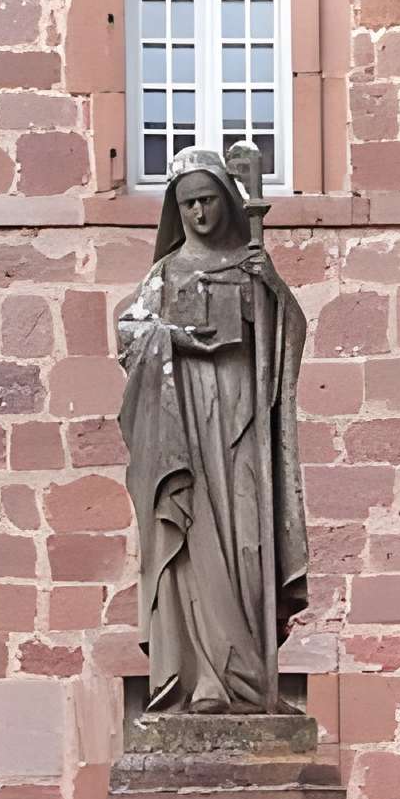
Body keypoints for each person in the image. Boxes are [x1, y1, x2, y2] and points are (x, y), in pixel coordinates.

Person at [116, 145, 310, 714]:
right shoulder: (165, 273)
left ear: (226, 200)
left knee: (247, 538)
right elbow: (130, 334)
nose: (200, 213)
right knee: (194, 541)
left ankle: (247, 677)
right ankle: (200, 679)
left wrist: (271, 290)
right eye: (188, 204)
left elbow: (286, 338)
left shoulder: (251, 267)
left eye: (207, 200)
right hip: (183, 424)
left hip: (241, 421)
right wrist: (174, 338)